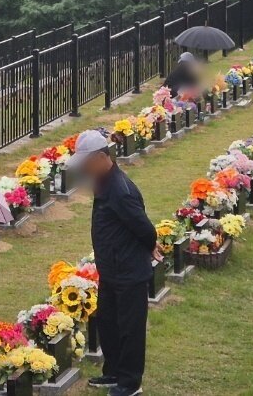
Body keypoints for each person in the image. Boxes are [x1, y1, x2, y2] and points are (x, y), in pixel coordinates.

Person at [68, 130, 154, 396]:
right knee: (109, 323)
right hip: (111, 270)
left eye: (86, 162)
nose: (82, 167)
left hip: (128, 272)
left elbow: (146, 230)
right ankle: (113, 372)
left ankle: (130, 383)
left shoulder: (120, 190)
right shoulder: (103, 181)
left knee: (130, 329)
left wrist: (148, 249)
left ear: (100, 157)